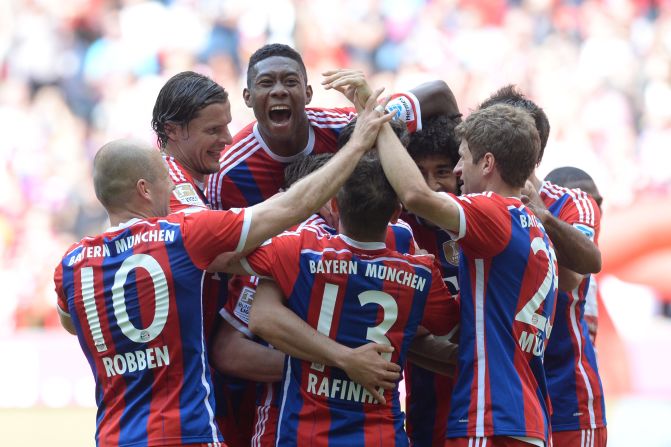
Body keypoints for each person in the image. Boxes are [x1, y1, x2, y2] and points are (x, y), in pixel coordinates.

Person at [53, 93, 397, 447]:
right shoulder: (181, 236)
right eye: (165, 183)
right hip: (188, 434)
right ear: (143, 189)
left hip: (113, 437)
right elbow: (290, 206)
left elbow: (70, 323)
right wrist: (356, 147)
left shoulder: (70, 265)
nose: (171, 190)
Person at [211, 120, 417, 447]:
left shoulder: (399, 241)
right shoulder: (291, 244)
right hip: (285, 421)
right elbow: (230, 349)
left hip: (367, 422)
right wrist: (332, 364)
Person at [240, 151, 459, 446]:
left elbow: (229, 260)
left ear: (333, 203)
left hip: (306, 433)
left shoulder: (299, 250)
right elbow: (448, 323)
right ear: (396, 213)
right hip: (381, 434)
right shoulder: (419, 269)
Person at [376, 103, 559, 447]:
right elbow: (453, 321)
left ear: (487, 163)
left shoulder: (494, 211)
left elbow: (416, 195)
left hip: (489, 418)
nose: (459, 170)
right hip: (525, 418)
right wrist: (425, 269)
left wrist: (378, 123)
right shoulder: (534, 229)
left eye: (462, 158)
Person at [480, 86, 607, 447]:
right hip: (506, 397)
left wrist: (543, 219)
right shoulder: (473, 204)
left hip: (568, 396)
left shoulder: (573, 203)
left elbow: (570, 278)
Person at [206, 42, 460, 211]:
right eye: (266, 83)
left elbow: (439, 94)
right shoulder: (228, 173)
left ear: (308, 94)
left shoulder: (346, 126)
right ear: (247, 97)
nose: (279, 91)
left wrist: (459, 167)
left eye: (290, 82)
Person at [150, 70, 251, 446]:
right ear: (173, 130)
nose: (226, 139)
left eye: (226, 127)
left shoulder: (195, 184)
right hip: (178, 388)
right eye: (214, 130)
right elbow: (221, 251)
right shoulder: (166, 181)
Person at [401, 114, 462, 447]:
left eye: (442, 172)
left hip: (485, 405)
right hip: (426, 404)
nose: (432, 185)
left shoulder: (481, 223)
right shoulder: (398, 230)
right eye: (418, 173)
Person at [544, 166, 603, 343]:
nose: (594, 215)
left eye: (598, 204)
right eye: (583, 207)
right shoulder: (536, 258)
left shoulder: (591, 278)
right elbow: (572, 278)